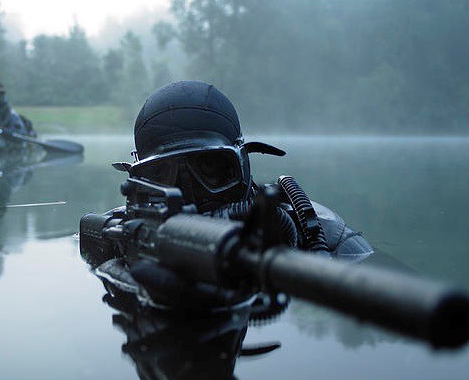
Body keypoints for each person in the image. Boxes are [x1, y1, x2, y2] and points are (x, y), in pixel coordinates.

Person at [117, 80, 372, 259]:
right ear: (138, 183)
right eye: (161, 175)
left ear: (243, 162)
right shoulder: (120, 235)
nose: (191, 197)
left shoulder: (320, 235)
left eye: (211, 167)